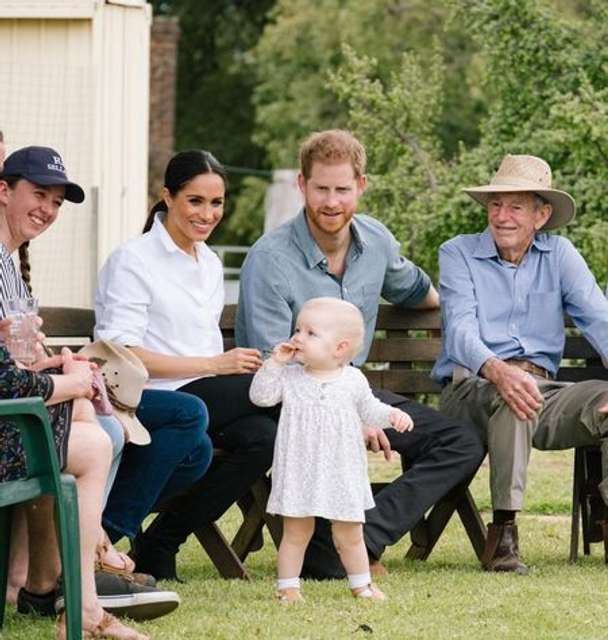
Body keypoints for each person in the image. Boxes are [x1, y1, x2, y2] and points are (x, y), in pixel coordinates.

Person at [236, 129, 485, 578]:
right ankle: (333, 549)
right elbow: (278, 364)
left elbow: (417, 289)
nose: (332, 202)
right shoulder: (269, 259)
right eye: (321, 189)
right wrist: (353, 417)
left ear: (361, 186)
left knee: (460, 442)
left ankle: (359, 538)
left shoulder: (377, 243)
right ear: (302, 185)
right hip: (292, 403)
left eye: (342, 189)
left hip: (354, 392)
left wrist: (466, 314)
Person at [95, 149, 278, 580]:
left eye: (216, 203)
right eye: (195, 200)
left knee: (263, 438)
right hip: (153, 396)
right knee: (284, 396)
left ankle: (160, 543)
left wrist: (219, 368)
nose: (208, 214)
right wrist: (217, 364)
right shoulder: (134, 260)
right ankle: (100, 537)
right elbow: (120, 356)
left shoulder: (209, 263)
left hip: (202, 396)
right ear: (167, 197)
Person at [432, 153, 608, 574]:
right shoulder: (458, 253)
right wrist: (497, 368)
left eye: (515, 206)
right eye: (495, 205)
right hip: (470, 389)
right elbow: (459, 331)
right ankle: (504, 533)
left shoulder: (560, 255)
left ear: (541, 215)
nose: (502, 216)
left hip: (543, 392)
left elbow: (599, 318)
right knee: (515, 394)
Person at [0, 145, 149, 639]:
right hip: (7, 414)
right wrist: (68, 380)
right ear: (4, 190)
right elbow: (5, 380)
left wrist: (56, 367)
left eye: (57, 201)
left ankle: (64, 587)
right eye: (38, 194)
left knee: (89, 420)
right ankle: (77, 596)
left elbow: (13, 367)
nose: (47, 208)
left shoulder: (11, 263)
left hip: (13, 411)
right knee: (92, 439)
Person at [251, 297, 413, 602]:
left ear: (340, 348)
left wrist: (391, 416)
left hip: (341, 469)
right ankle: (287, 587)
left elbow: (370, 410)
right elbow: (261, 397)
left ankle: (362, 584)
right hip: (300, 468)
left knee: (350, 533)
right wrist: (273, 363)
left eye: (310, 333)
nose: (298, 337)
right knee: (296, 532)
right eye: (298, 329)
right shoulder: (289, 377)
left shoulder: (352, 380)